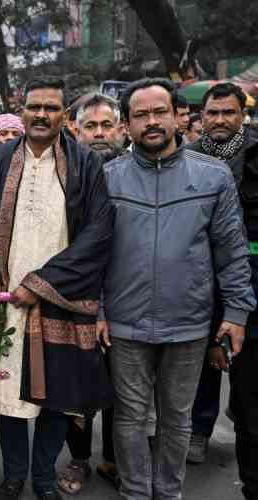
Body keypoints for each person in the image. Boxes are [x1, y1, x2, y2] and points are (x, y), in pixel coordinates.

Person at [102, 78, 255, 500]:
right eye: (141, 115)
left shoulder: (213, 176)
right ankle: (135, 493)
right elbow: (94, 254)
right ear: (127, 124)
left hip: (188, 324)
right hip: (126, 324)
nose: (151, 122)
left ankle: (169, 493)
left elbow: (231, 250)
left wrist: (237, 314)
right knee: (131, 417)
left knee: (177, 419)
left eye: (159, 112)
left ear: (179, 118)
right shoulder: (108, 177)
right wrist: (98, 311)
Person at [0, 77, 114, 500]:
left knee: (56, 398)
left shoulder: (86, 164)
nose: (41, 114)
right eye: (34, 106)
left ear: (64, 115)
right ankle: (14, 476)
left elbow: (99, 233)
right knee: (9, 396)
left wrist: (42, 283)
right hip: (8, 302)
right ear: (22, 109)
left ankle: (44, 477)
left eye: (51, 108)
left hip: (62, 299)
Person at [186, 83, 258, 481]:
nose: (219, 121)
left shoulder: (255, 153)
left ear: (242, 115)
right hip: (199, 273)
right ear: (201, 117)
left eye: (228, 113)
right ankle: (200, 427)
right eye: (212, 113)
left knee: (242, 352)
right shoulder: (189, 156)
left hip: (248, 271)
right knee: (202, 356)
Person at [56, 92, 124, 496]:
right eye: (90, 126)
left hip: (126, 297)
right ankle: (78, 458)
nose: (98, 134)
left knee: (121, 387)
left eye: (106, 125)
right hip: (75, 295)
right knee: (76, 387)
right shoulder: (65, 172)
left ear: (119, 128)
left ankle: (114, 459)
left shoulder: (136, 170)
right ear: (75, 130)